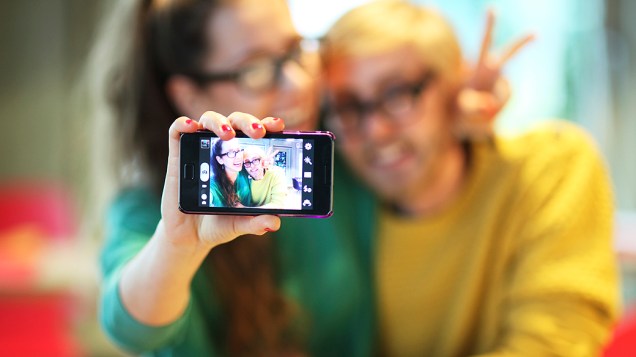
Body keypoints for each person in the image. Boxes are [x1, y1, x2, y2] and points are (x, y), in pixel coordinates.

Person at [92, 0, 534, 356]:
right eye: (257, 69)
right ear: (190, 94)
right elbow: (127, 327)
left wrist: (448, 110)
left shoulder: (335, 153)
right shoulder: (154, 209)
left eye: (296, 50)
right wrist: (176, 247)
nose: (299, 82)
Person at [317, 1, 619, 356]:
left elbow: (556, 341)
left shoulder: (551, 165)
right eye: (349, 106)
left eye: (397, 93)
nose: (376, 131)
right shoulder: (333, 200)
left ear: (454, 86)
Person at [209, 138, 252, 207]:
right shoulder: (212, 185)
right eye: (231, 153)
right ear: (220, 160)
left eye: (238, 151)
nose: (238, 157)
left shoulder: (244, 171)